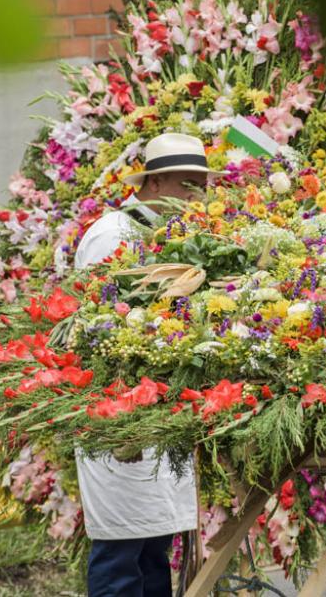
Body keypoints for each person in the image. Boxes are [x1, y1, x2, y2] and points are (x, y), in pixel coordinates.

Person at [74, 133, 225, 597]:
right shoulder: (111, 234)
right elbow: (101, 323)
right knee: (122, 551)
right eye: (187, 186)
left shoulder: (168, 234)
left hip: (155, 409)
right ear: (155, 182)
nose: (196, 199)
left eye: (201, 187)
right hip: (119, 413)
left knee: (153, 551)